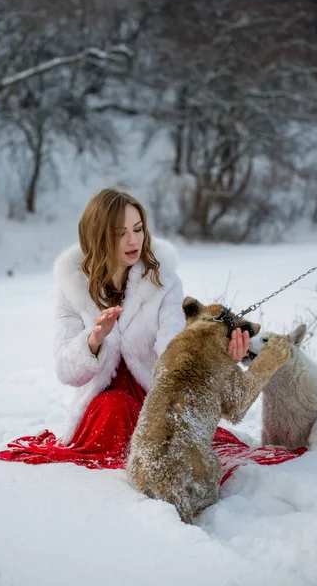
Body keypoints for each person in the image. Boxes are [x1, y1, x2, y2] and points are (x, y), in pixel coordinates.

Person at [49, 187, 250, 466]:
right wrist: (93, 339)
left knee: (159, 423)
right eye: (120, 233)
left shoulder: (164, 280)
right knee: (115, 407)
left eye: (138, 229)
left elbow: (173, 345)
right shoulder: (72, 288)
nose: (133, 241)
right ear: (98, 237)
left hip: (153, 396)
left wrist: (219, 358)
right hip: (102, 409)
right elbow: (65, 370)